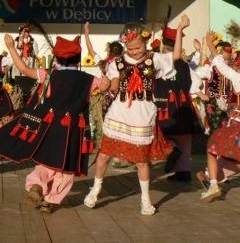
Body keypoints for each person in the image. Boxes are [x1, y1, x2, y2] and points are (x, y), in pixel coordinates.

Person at [0, 34, 108, 213]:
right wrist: (107, 80)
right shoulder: (89, 79)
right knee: (66, 169)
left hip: (49, 128)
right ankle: (51, 201)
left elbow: (23, 69)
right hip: (72, 131)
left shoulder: (48, 75)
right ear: (77, 59)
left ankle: (36, 186)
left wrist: (10, 47)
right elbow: (107, 86)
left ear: (57, 58)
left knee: (45, 162)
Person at [83, 16, 189, 215]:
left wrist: (180, 29)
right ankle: (95, 190)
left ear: (145, 42)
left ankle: (145, 200)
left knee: (142, 161)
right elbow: (115, 85)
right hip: (119, 114)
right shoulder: (117, 62)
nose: (133, 52)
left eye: (137, 48)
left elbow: (175, 56)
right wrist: (107, 85)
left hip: (142, 115)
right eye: (130, 49)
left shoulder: (154, 59)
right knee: (104, 155)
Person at [153, 26, 200, 182]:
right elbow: (194, 82)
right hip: (184, 105)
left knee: (161, 132)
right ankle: (184, 171)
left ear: (164, 46)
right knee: (185, 139)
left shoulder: (159, 61)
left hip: (166, 104)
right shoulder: (184, 64)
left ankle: (173, 149)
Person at [198, 31, 240, 202]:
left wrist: (209, 43)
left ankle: (213, 183)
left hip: (237, 125)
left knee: (212, 147)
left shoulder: (237, 77)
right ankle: (212, 177)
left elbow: (220, 64)